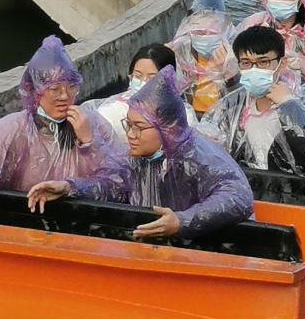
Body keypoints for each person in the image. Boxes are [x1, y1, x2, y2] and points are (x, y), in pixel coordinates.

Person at [31, 67, 254, 242]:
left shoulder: (198, 156)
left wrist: (182, 221)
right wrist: (70, 187)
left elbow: (237, 196)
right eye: (128, 125)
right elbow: (111, 184)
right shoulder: (137, 157)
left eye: (138, 127)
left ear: (166, 129)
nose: (130, 134)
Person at [0, 35, 128, 221]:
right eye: (55, 89)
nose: (64, 96)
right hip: (21, 227)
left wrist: (90, 144)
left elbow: (122, 185)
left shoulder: (92, 123)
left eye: (71, 87)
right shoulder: (13, 129)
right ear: (34, 91)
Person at [200, 23, 305, 177]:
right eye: (246, 63)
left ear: (282, 63)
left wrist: (289, 105)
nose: (254, 69)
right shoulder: (232, 105)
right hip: (249, 184)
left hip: (295, 188)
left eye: (263, 62)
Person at [170, 0, 236, 118]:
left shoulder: (234, 56)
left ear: (223, 27)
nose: (205, 36)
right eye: (199, 31)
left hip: (221, 118)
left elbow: (240, 100)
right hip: (187, 116)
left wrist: (230, 75)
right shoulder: (179, 52)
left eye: (212, 31)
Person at [91, 43, 177, 142]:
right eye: (138, 76)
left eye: (152, 78)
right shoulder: (111, 114)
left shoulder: (180, 117)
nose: (144, 83)